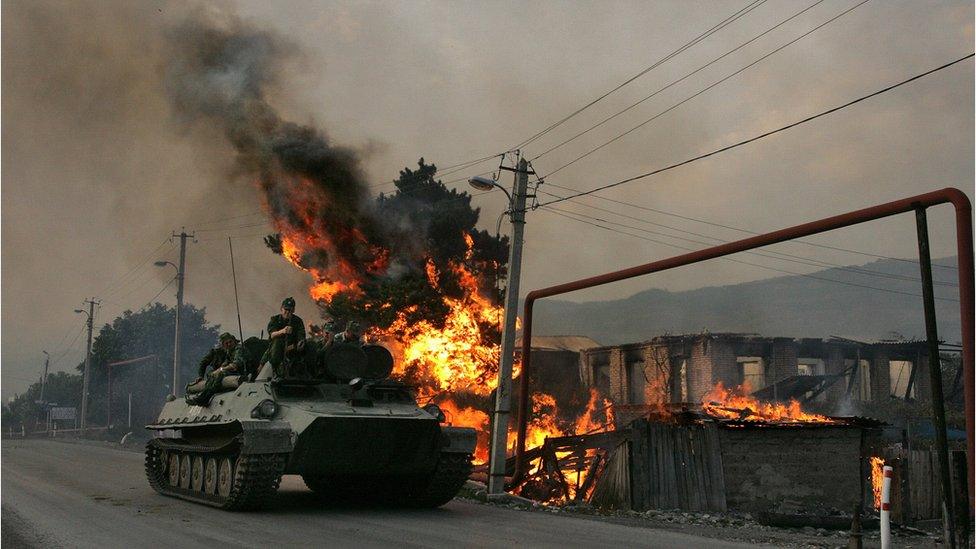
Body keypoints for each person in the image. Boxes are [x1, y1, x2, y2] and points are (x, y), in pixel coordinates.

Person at [187, 332, 247, 405]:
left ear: (234, 341)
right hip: (235, 371)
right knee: (213, 374)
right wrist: (216, 371)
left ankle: (205, 397)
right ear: (223, 345)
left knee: (220, 374)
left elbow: (235, 365)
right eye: (226, 343)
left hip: (242, 372)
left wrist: (220, 370)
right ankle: (203, 396)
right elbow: (225, 363)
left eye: (230, 342)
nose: (229, 344)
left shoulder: (239, 348)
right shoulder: (229, 351)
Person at [262, 297, 306, 377]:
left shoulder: (297, 321)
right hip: (277, 348)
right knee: (277, 342)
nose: (287, 312)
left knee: (310, 345)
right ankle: (276, 371)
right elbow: (272, 334)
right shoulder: (274, 319)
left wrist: (301, 342)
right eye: (285, 309)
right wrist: (283, 331)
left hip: (293, 347)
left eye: (290, 310)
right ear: (281, 309)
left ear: (293, 311)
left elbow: (301, 334)